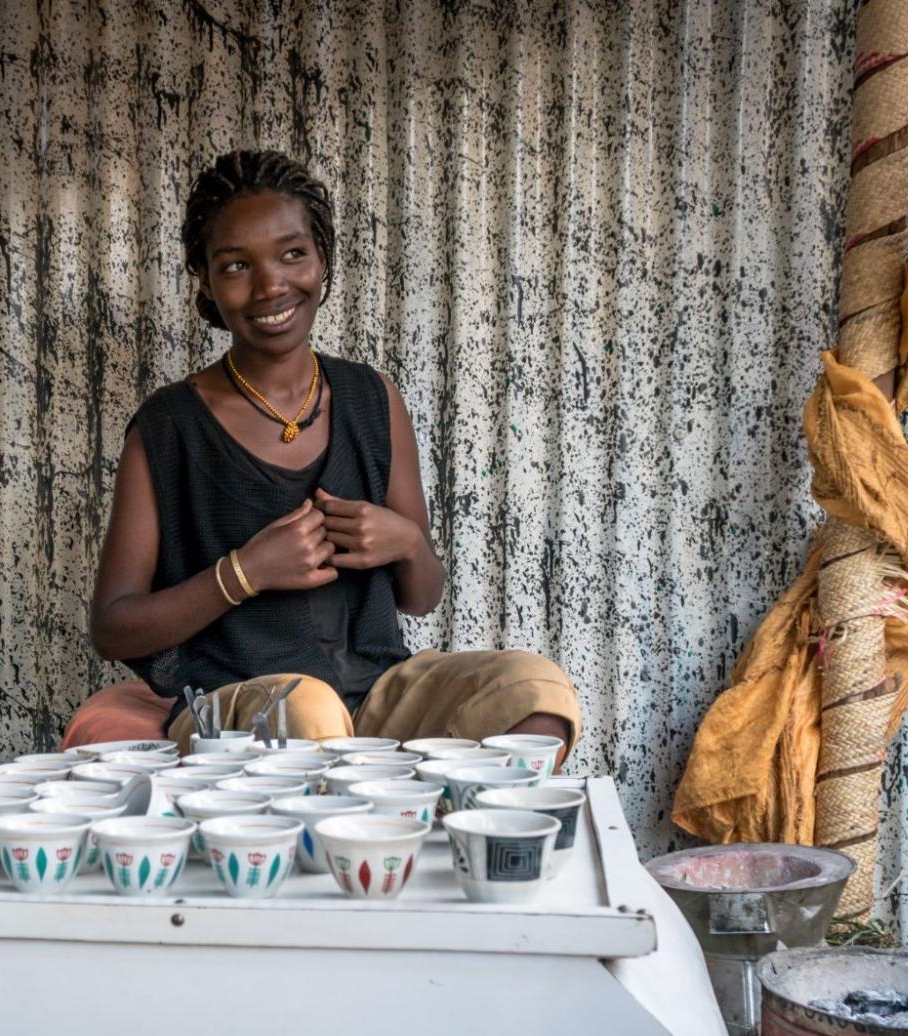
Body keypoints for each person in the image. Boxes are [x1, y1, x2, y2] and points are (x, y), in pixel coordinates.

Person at [88, 149, 579, 760]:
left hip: (376, 694)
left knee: (535, 691)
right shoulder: (168, 428)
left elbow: (421, 595)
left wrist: (403, 541)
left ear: (322, 259)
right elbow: (113, 625)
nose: (271, 284)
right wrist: (245, 573)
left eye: (293, 253)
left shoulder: (372, 400)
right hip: (234, 699)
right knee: (309, 709)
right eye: (236, 264)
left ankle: (454, 843)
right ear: (206, 283)